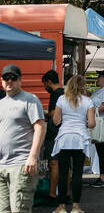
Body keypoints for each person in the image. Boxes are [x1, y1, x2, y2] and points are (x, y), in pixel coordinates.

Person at [0, 64, 45, 213]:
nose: (9, 81)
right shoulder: (1, 103)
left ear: (20, 80)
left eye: (13, 78)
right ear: (1, 81)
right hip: (3, 164)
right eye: (5, 78)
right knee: (11, 210)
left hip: (22, 163)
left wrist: (32, 156)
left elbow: (40, 127)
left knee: (22, 209)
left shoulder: (30, 100)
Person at [50, 75, 95, 213]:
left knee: (63, 173)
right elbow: (92, 124)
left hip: (64, 138)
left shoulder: (61, 100)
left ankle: (61, 206)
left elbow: (56, 121)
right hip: (80, 139)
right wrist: (83, 122)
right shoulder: (88, 101)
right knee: (77, 173)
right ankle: (76, 206)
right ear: (83, 86)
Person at [41, 70, 64, 205]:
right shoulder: (63, 93)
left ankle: (52, 194)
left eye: (45, 84)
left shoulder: (56, 94)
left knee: (53, 163)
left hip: (54, 133)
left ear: (49, 82)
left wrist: (48, 114)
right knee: (64, 165)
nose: (45, 88)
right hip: (62, 133)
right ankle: (65, 193)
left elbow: (54, 112)